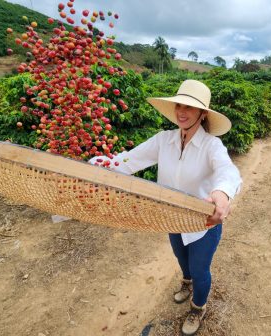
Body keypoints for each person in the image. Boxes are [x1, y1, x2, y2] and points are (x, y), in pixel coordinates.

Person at [89, 79, 242, 335]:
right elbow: (128, 161)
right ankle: (186, 283)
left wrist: (222, 192)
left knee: (200, 268)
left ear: (202, 113)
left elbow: (228, 170)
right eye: (179, 105)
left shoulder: (211, 145)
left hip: (203, 223)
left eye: (190, 108)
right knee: (182, 260)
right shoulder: (164, 140)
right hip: (171, 217)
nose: (181, 112)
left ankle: (198, 307)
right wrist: (101, 166)